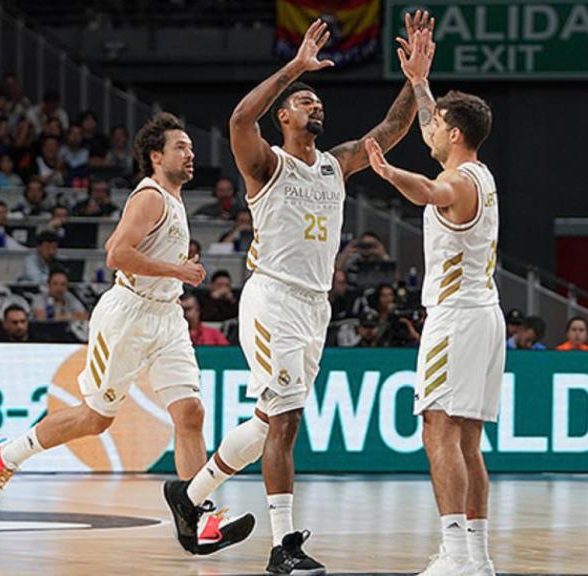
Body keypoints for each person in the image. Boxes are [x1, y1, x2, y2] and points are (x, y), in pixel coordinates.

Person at [164, 15, 425, 575]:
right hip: (273, 299)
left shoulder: (336, 164)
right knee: (284, 424)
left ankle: (189, 496)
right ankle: (283, 548)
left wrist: (415, 80)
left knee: (267, 422)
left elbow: (391, 130)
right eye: (303, 101)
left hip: (314, 307)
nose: (315, 106)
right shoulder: (266, 164)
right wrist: (294, 69)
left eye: (316, 101)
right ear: (283, 115)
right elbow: (239, 117)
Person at [0, 113, 255, 555]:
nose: (191, 153)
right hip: (129, 316)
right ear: (156, 156)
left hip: (166, 316)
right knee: (96, 418)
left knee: (191, 414)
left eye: (191, 147)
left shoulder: (175, 200)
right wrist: (177, 268)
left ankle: (197, 514)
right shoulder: (150, 196)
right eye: (181, 147)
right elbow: (116, 254)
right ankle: (7, 457)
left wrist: (175, 269)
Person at [363, 19, 502, 575]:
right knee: (467, 442)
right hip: (482, 315)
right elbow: (429, 138)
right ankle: (477, 558)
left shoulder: (460, 182)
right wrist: (421, 83)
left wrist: (386, 170)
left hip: (457, 318)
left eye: (438, 124)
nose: (431, 130)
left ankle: (455, 554)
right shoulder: (479, 169)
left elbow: (431, 189)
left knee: (438, 431)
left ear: (455, 133)